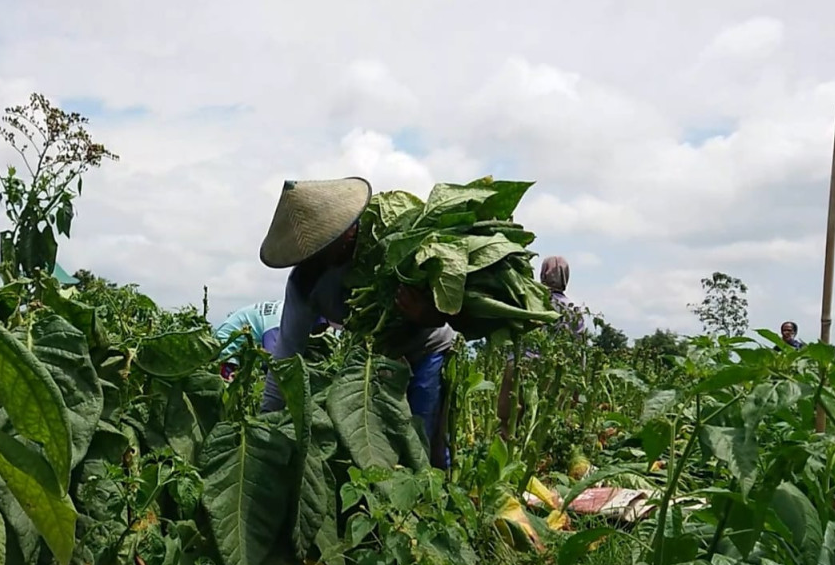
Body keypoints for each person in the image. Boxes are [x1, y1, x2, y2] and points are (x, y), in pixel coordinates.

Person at [257, 177, 457, 469]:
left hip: (426, 349)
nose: (348, 236)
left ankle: (436, 494)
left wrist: (426, 314)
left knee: (422, 445)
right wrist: (266, 422)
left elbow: (451, 309)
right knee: (379, 454)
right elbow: (286, 356)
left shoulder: (390, 246)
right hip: (374, 364)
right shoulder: (305, 282)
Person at [497, 255, 587, 439]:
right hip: (551, 372)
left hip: (519, 365)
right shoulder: (573, 310)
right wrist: (577, 387)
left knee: (508, 423)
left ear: (542, 273)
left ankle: (503, 453)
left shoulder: (528, 299)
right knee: (544, 427)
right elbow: (579, 350)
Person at [214, 300, 329, 379]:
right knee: (229, 387)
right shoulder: (277, 324)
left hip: (243, 346)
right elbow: (271, 362)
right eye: (322, 326)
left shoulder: (291, 309)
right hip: (227, 345)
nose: (323, 330)